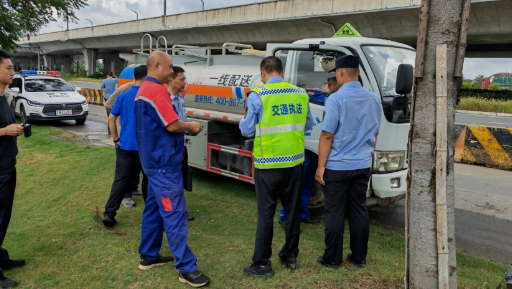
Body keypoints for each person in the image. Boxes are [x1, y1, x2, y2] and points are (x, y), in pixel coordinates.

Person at [135, 51, 209, 288]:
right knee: (175, 214)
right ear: (157, 66)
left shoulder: (143, 90)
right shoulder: (156, 91)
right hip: (164, 165)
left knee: (154, 209)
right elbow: (173, 124)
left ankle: (149, 255)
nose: (171, 71)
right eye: (168, 67)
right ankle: (187, 268)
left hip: (153, 162)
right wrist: (192, 127)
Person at [239, 56, 313, 277]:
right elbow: (307, 124)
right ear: (282, 72)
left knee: (266, 214)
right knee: (292, 211)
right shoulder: (301, 94)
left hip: (268, 164)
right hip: (295, 163)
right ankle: (290, 255)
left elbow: (247, 130)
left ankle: (262, 264)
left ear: (263, 73)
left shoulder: (257, 95)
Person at [315, 55, 381, 269]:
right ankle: (359, 256)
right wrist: (368, 156)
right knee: (359, 210)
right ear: (358, 72)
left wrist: (321, 166)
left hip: (337, 166)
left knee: (334, 211)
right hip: (362, 165)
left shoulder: (335, 99)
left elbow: (327, 135)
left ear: (340, 72)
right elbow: (376, 132)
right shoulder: (373, 98)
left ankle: (332, 259)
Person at [278, 76, 340, 226]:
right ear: (330, 84)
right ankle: (285, 215)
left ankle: (302, 214)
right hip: (306, 144)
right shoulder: (318, 96)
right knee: (297, 183)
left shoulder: (330, 97)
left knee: (306, 183)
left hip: (316, 145)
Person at [102, 65, 149, 227]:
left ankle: (109, 213)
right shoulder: (149, 97)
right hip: (146, 147)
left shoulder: (123, 96)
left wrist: (116, 139)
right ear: (146, 77)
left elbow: (111, 118)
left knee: (121, 180)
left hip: (125, 146)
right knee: (149, 180)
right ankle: (150, 216)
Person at [0, 50, 26, 288]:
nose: (13, 72)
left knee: (4, 217)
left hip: (8, 166)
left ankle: (0, 257)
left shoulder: (3, 97)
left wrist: (14, 128)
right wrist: (4, 131)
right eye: (8, 68)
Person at [105, 79, 143, 204]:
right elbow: (108, 104)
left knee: (137, 166)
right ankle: (126, 195)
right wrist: (121, 119)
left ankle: (133, 189)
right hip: (124, 135)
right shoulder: (125, 89)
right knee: (125, 170)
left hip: (137, 137)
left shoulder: (145, 90)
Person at [166, 66, 194, 222]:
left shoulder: (179, 99)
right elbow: (172, 125)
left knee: (179, 180)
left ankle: (179, 211)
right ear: (171, 79)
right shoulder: (166, 101)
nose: (185, 82)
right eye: (182, 79)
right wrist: (190, 127)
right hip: (170, 149)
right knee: (170, 182)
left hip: (180, 146)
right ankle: (170, 214)